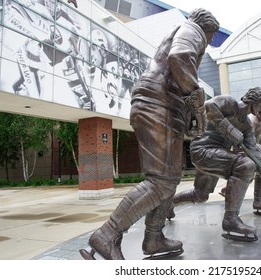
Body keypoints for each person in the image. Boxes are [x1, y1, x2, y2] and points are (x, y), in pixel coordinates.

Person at [79, 8, 219, 260]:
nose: (207, 44)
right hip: (159, 104)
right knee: (161, 181)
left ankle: (154, 238)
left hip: (163, 106)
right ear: (206, 29)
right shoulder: (193, 29)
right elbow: (180, 56)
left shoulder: (182, 31)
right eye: (210, 38)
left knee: (169, 180)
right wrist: (197, 102)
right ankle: (107, 234)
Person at [168, 88, 261, 242]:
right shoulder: (229, 103)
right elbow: (208, 107)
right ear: (255, 102)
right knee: (245, 165)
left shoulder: (246, 124)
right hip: (203, 151)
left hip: (217, 156)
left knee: (200, 195)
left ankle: (168, 204)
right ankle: (231, 220)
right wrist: (229, 129)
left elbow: (252, 150)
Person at [220, 100, 261, 216]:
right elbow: (247, 143)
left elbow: (259, 141)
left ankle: (232, 192)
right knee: (260, 168)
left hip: (253, 151)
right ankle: (258, 200)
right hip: (241, 151)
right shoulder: (253, 121)